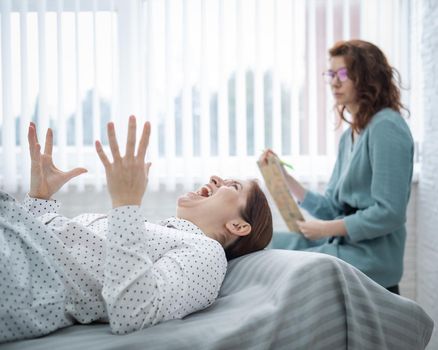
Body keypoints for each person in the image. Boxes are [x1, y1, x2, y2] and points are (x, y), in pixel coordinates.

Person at [0, 116, 273, 343]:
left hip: (22, 275)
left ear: (238, 226)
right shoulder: (155, 230)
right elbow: (66, 251)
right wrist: (40, 199)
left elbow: (133, 313)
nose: (215, 178)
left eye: (233, 186)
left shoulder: (207, 254)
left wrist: (126, 202)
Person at [260, 39, 414, 294]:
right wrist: (285, 178)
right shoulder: (350, 136)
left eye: (344, 73)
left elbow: (390, 213)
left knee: (278, 256)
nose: (335, 81)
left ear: (368, 78)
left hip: (371, 258)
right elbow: (332, 208)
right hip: (345, 246)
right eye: (331, 73)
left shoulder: (387, 127)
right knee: (265, 243)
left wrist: (325, 229)